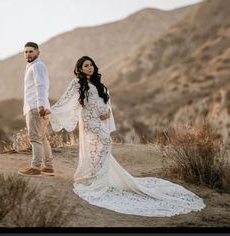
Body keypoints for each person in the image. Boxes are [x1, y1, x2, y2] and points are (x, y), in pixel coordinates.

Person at [50, 56, 205, 217]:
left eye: (91, 65)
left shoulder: (97, 83)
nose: (89, 68)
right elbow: (65, 101)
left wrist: (106, 113)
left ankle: (98, 177)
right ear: (80, 69)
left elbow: (103, 102)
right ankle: (95, 180)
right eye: (86, 66)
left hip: (99, 121)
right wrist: (50, 111)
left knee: (101, 147)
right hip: (89, 122)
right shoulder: (77, 83)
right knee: (101, 144)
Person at [18, 42, 54, 177]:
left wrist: (40, 105)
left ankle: (36, 167)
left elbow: (40, 85)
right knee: (42, 137)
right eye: (26, 52)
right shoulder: (33, 66)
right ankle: (48, 167)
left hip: (36, 108)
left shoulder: (37, 66)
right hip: (40, 106)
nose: (28, 54)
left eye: (31, 51)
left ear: (38, 52)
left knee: (35, 138)